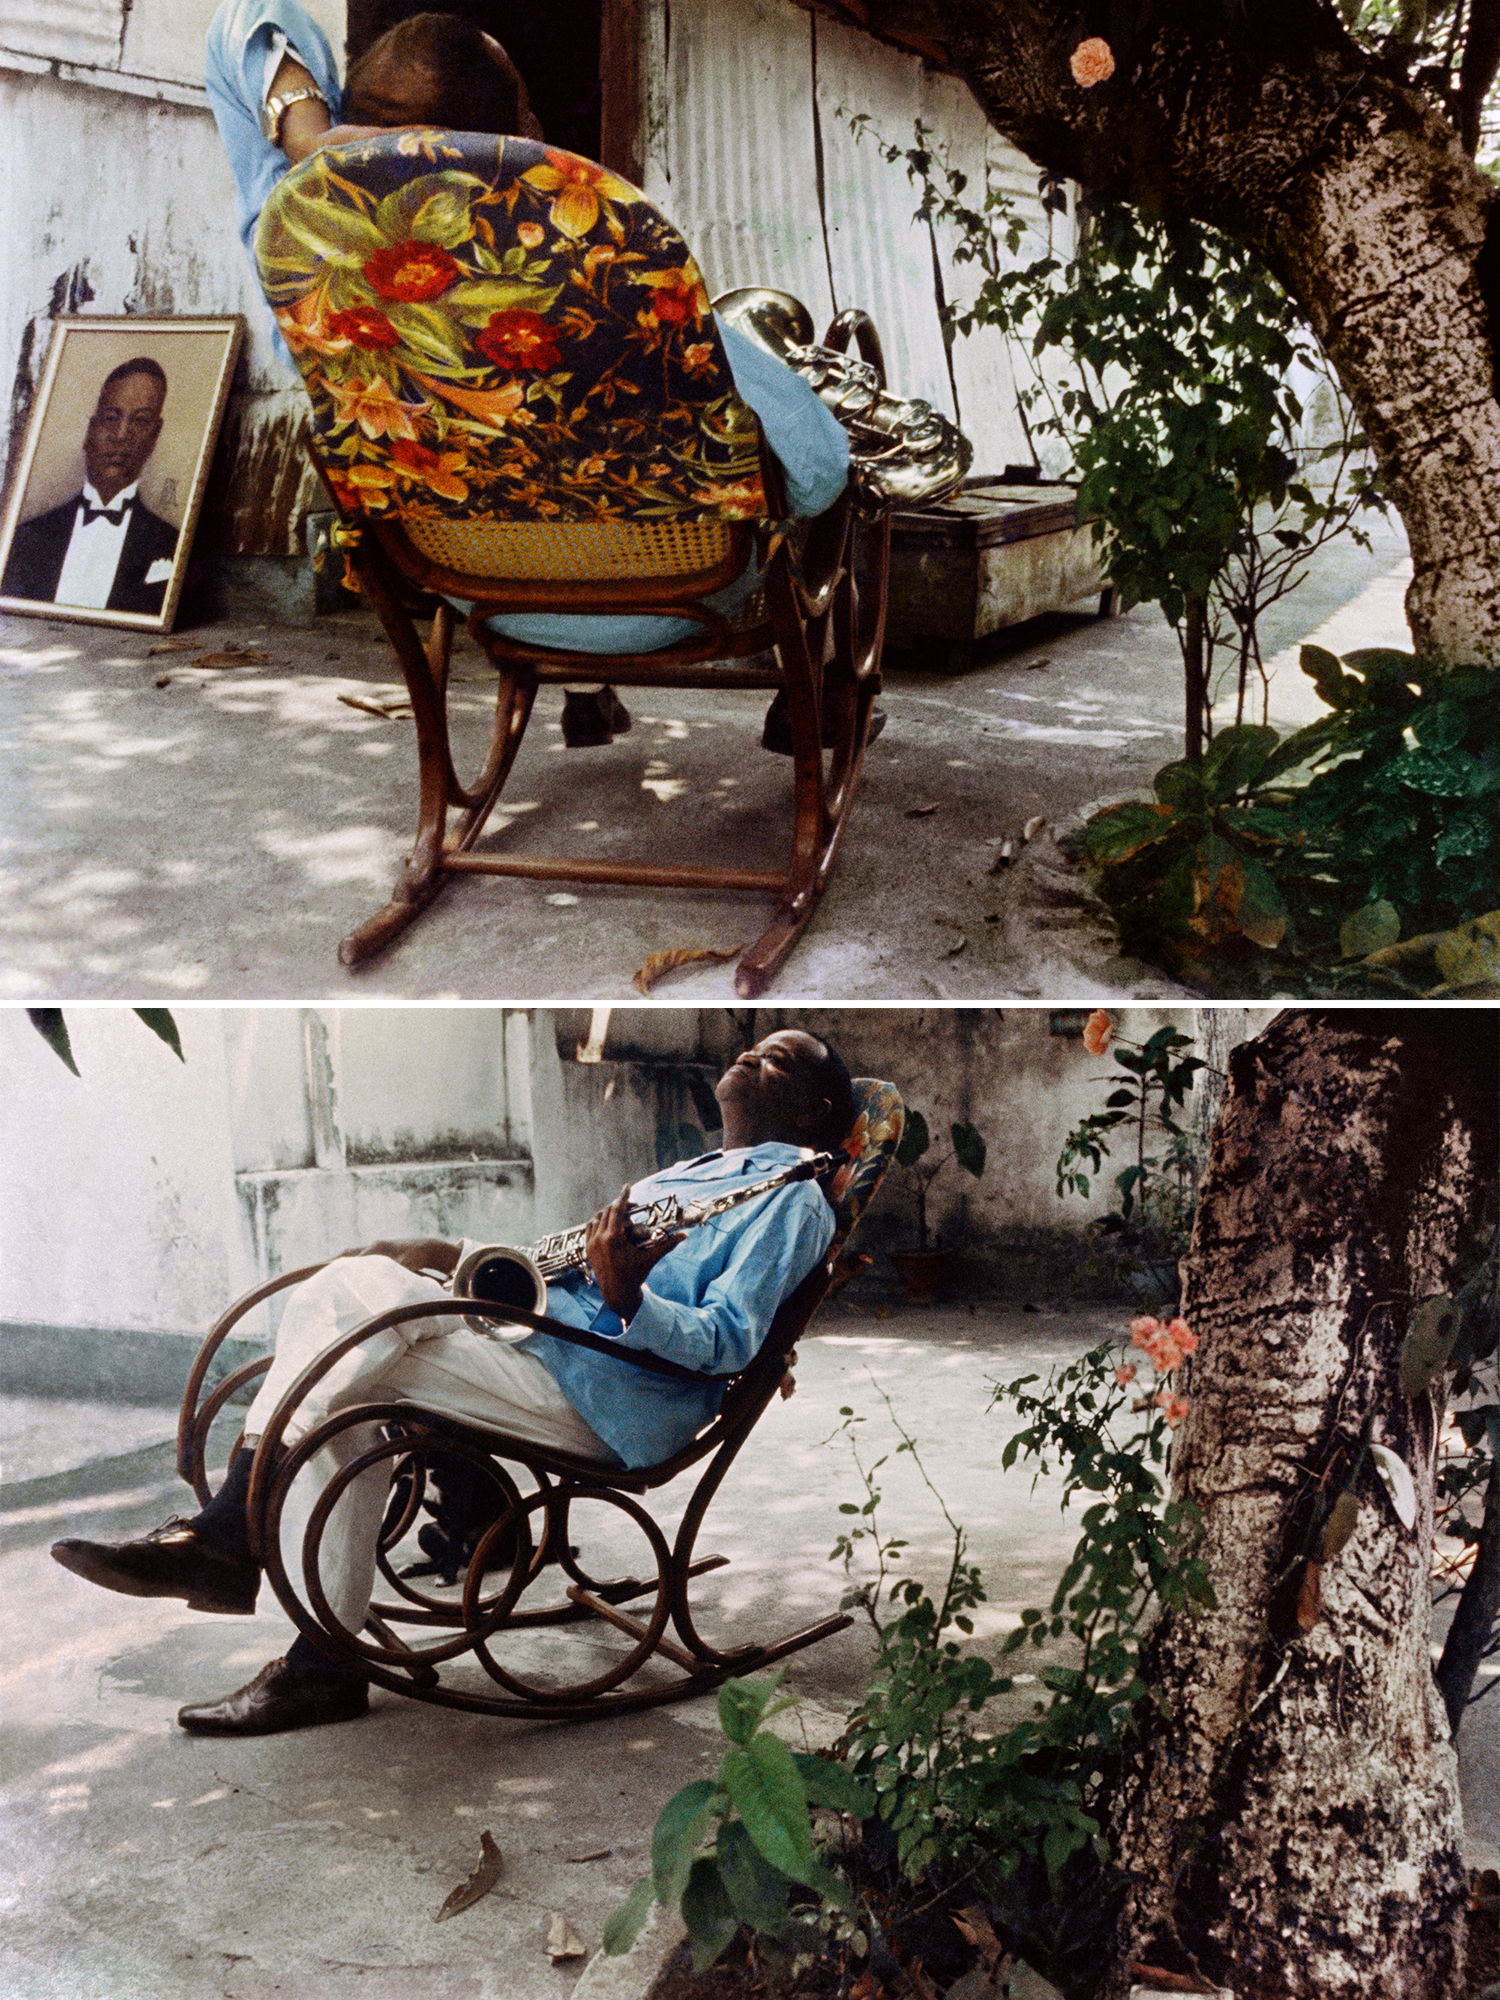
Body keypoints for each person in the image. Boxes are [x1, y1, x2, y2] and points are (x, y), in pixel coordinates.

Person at [51, 1029, 855, 1735]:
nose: (753, 1054)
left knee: (345, 1308)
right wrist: (450, 1250)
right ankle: (321, 1658)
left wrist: (629, 1300)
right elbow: (560, 1262)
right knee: (354, 1366)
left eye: (781, 1060)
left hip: (614, 1398)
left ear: (816, 1112)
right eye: (757, 1046)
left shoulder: (791, 1199)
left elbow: (726, 1341)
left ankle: (229, 1535)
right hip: (551, 1351)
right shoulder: (690, 1173)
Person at [202, 0, 849, 744]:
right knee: (830, 482)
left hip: (475, 595)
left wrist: (320, 147)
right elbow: (820, 471)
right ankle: (816, 698)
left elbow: (245, 17)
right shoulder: (623, 279)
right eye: (527, 112)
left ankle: (582, 691)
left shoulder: (323, 310)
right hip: (684, 598)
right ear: (512, 141)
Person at [2, 359, 179, 615]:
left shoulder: (171, 545)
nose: (121, 435)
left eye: (140, 421)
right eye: (110, 418)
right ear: (90, 430)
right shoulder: (25, 538)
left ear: (155, 436)